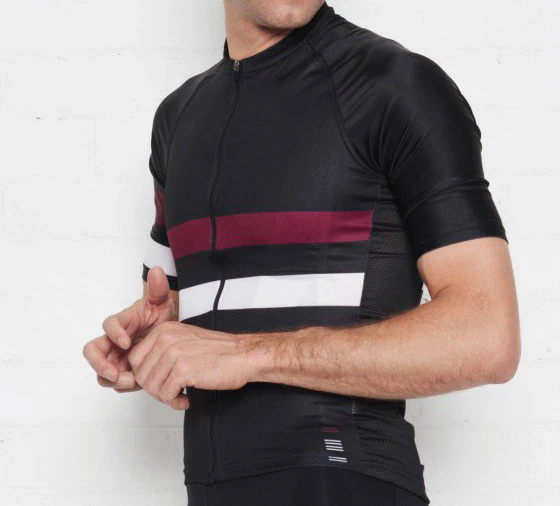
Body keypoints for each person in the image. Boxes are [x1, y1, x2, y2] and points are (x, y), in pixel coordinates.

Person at [82, 1, 520, 504]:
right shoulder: (177, 119)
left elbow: (488, 336)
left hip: (346, 480)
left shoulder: (396, 85)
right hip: (211, 486)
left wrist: (248, 354)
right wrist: (157, 338)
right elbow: (224, 302)